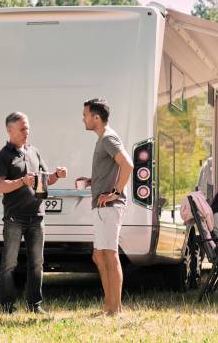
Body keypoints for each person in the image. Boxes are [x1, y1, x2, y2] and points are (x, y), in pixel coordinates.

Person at [0, 112, 67, 314]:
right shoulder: (3, 156)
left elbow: (45, 179)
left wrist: (57, 175)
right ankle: (8, 306)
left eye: (28, 128)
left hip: (37, 216)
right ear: (10, 130)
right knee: (9, 264)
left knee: (37, 263)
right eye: (22, 129)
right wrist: (21, 181)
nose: (27, 132)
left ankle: (34, 305)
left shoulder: (34, 152)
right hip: (15, 218)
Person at [75, 98, 133, 316]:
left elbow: (127, 165)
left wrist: (115, 193)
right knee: (99, 256)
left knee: (109, 254)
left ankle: (115, 310)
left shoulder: (109, 138)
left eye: (86, 115)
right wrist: (93, 180)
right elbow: (112, 169)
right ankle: (109, 306)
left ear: (96, 117)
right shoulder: (102, 139)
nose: (83, 119)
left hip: (110, 206)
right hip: (101, 206)